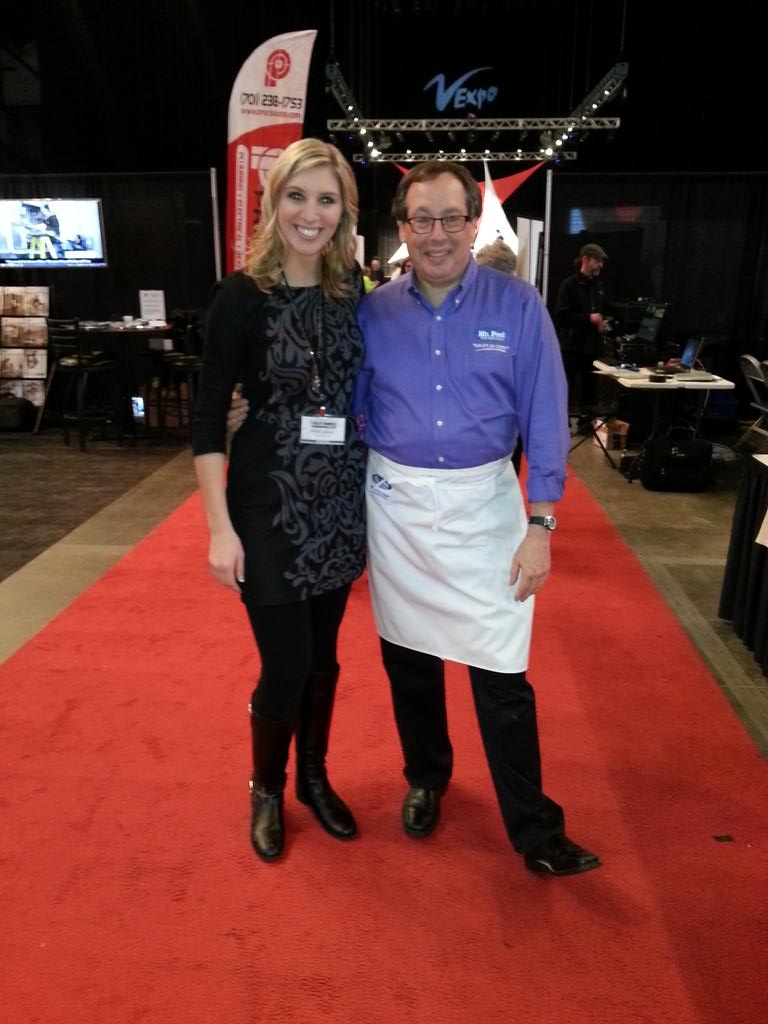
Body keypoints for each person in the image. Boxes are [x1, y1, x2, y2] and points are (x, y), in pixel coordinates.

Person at [355, 161, 600, 876]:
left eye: (451, 219)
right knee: (409, 661)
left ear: (473, 223)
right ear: (402, 227)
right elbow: (351, 405)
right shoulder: (375, 312)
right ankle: (427, 778)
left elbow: (545, 416)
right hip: (397, 509)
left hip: (485, 505)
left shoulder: (518, 306)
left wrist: (541, 526)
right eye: (421, 219)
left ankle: (535, 829)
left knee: (502, 672)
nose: (436, 235)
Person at [191, 138, 367, 863]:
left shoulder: (351, 288)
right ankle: (267, 787)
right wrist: (219, 529)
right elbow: (208, 419)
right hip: (267, 504)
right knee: (287, 663)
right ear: (274, 203)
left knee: (325, 657)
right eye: (298, 196)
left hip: (339, 502)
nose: (311, 213)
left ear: (344, 210)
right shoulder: (241, 297)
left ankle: (315, 779)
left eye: (327, 199)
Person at [555, 242, 611, 416]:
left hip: (593, 348)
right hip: (572, 348)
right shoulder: (569, 286)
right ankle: (563, 424)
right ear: (585, 260)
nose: (601, 265)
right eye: (598, 261)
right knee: (568, 388)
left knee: (591, 391)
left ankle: (588, 425)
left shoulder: (599, 286)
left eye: (602, 261)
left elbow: (603, 312)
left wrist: (603, 325)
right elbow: (561, 316)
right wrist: (588, 318)